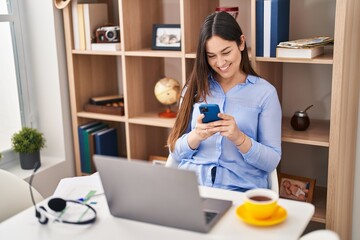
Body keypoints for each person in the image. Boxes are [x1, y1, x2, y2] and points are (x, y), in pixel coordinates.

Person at [167, 11, 282, 192]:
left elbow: (271, 161)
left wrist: (239, 138)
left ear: (241, 43)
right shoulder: (194, 88)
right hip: (192, 188)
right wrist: (197, 135)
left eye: (226, 52)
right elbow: (175, 151)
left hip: (240, 190)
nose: (220, 62)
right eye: (211, 55)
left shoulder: (265, 93)